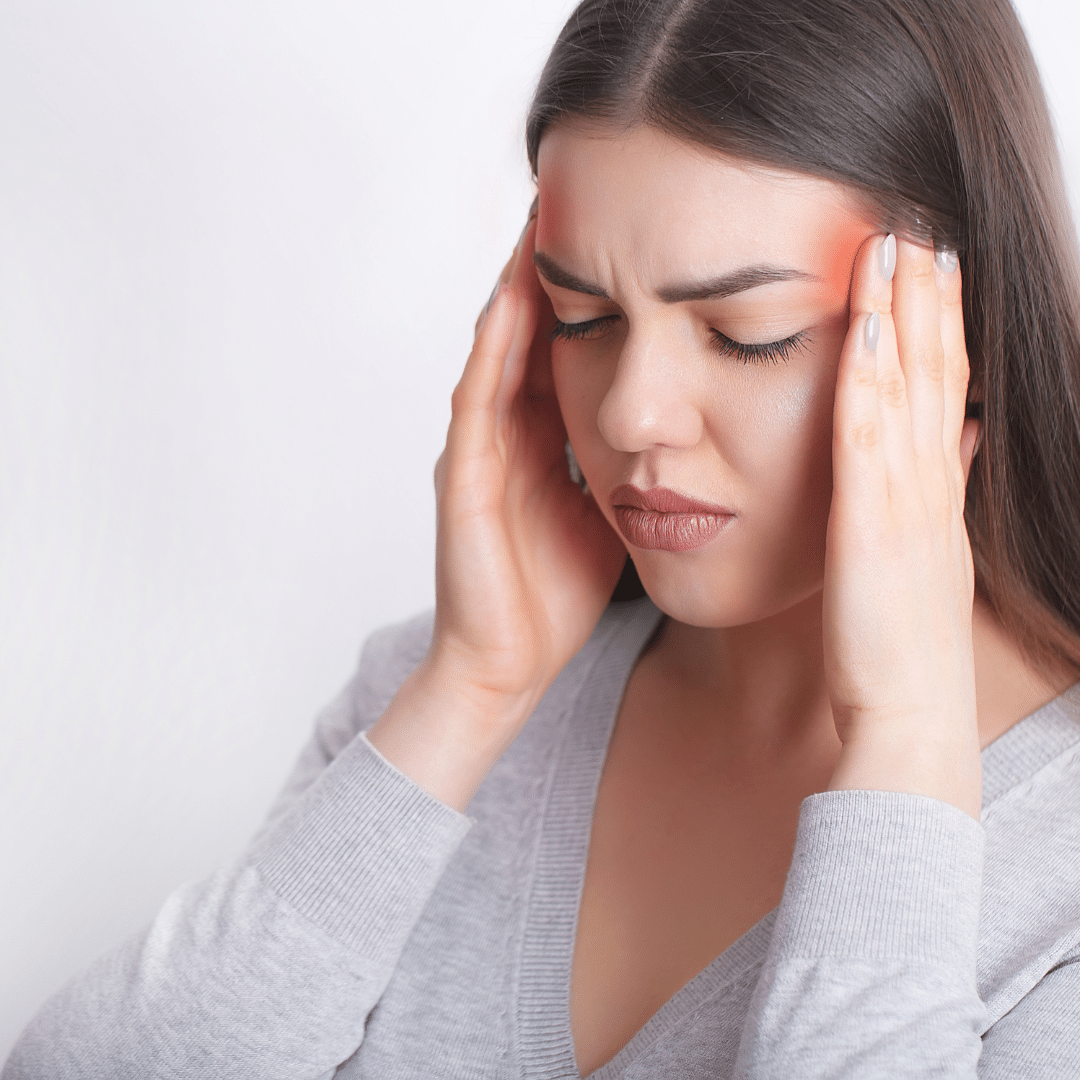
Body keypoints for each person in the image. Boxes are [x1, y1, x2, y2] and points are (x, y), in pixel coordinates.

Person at [6, 0, 1080, 1075]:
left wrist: (901, 740)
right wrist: (468, 693)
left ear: (967, 333)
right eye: (584, 317)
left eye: (747, 337)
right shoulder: (423, 711)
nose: (629, 414)